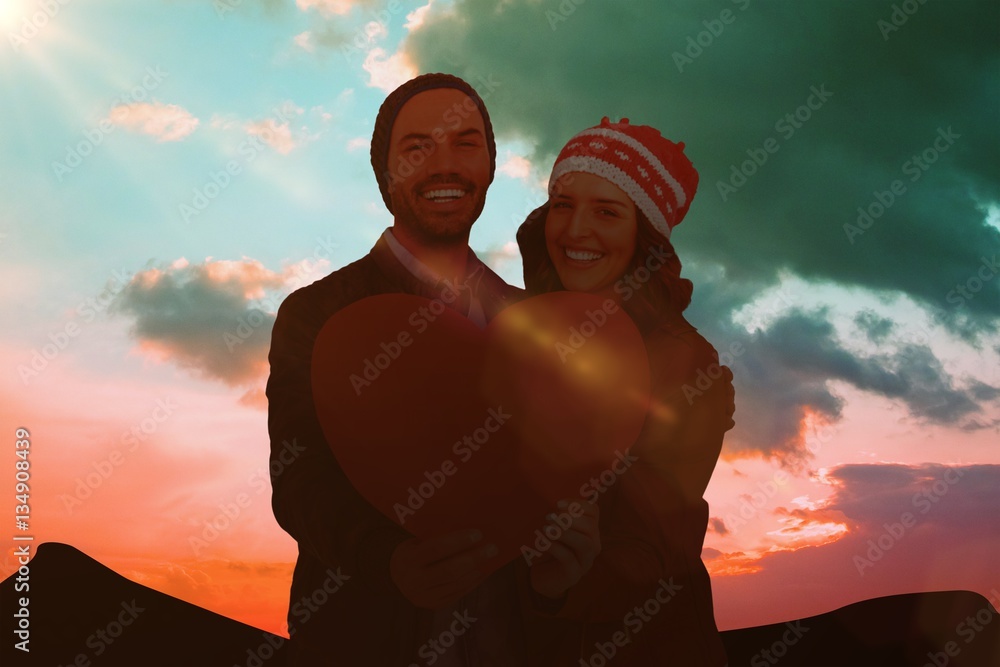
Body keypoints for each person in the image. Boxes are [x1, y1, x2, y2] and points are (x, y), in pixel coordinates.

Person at [266, 73, 606, 666]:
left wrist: (557, 583)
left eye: (465, 143)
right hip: (363, 644)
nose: (444, 165)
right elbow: (297, 484)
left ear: (491, 166)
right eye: (418, 147)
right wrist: (386, 560)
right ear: (384, 173)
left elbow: (557, 486)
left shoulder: (535, 324)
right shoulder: (316, 313)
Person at [513, 116, 732, 665]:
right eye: (563, 204)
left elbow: (658, 543)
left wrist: (559, 584)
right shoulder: (514, 333)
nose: (575, 230)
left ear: (645, 235)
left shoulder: (687, 365)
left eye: (607, 212)